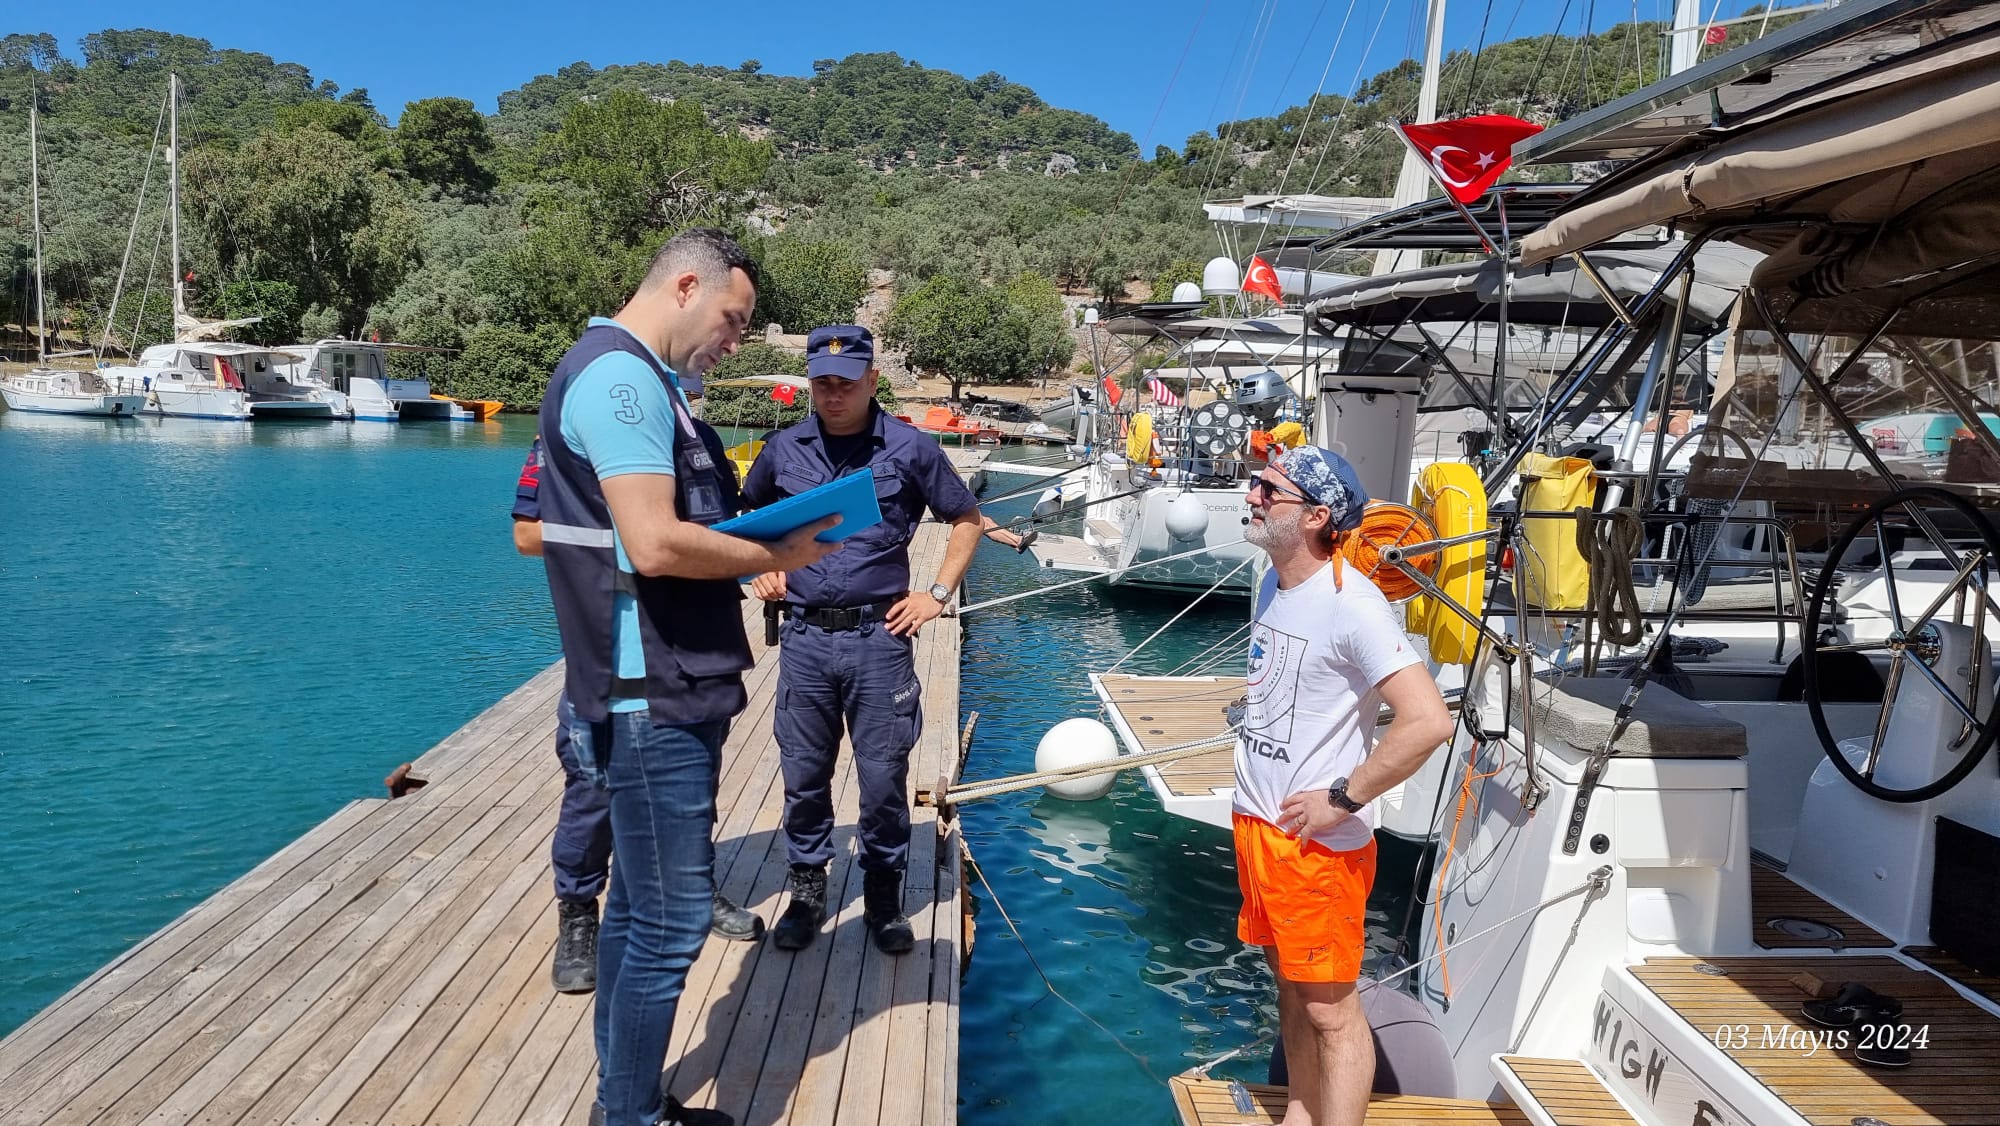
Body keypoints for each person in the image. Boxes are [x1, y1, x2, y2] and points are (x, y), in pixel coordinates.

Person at [534, 227, 841, 1126]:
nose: (734, 341)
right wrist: (776, 547)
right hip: (650, 696)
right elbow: (655, 540)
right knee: (669, 931)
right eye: (733, 321)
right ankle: (627, 1117)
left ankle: (626, 1104)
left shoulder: (648, 385)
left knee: (635, 915)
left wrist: (761, 549)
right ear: (684, 285)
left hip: (653, 686)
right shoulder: (624, 380)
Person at [742, 325, 985, 955]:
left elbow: (965, 518)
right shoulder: (783, 448)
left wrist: (936, 594)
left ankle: (883, 895)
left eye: (845, 382)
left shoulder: (910, 448)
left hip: (879, 639)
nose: (832, 394)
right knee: (803, 774)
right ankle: (806, 890)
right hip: (803, 640)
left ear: (872, 380)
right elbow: (744, 521)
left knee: (883, 776)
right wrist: (757, 565)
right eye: (821, 383)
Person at [1233, 446, 1453, 1126]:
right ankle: (1300, 1113)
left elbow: (1427, 721)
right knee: (1291, 997)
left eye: (1269, 490)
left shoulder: (1352, 605)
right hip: (1260, 830)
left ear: (1315, 516)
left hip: (1313, 850)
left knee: (1332, 1012)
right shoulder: (1275, 583)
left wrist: (1343, 798)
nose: (1253, 496)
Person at [511, 436, 767, 1000]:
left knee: (696, 780)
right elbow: (528, 534)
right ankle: (578, 913)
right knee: (594, 790)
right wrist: (649, 543)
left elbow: (723, 532)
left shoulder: (701, 437)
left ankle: (695, 888)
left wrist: (764, 560)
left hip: (700, 650)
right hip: (615, 648)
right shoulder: (572, 441)